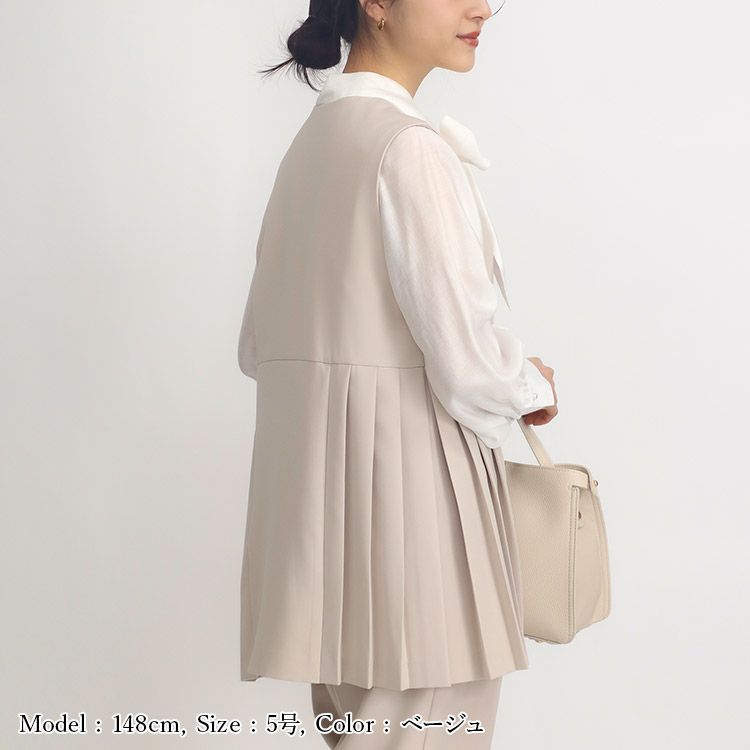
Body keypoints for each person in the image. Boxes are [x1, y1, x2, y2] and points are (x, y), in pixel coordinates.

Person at [237, 1, 559, 746]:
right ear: (376, 3)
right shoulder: (407, 149)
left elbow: (259, 346)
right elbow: (468, 366)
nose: (481, 8)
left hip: (322, 524)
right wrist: (531, 384)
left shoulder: (313, 144)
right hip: (415, 509)